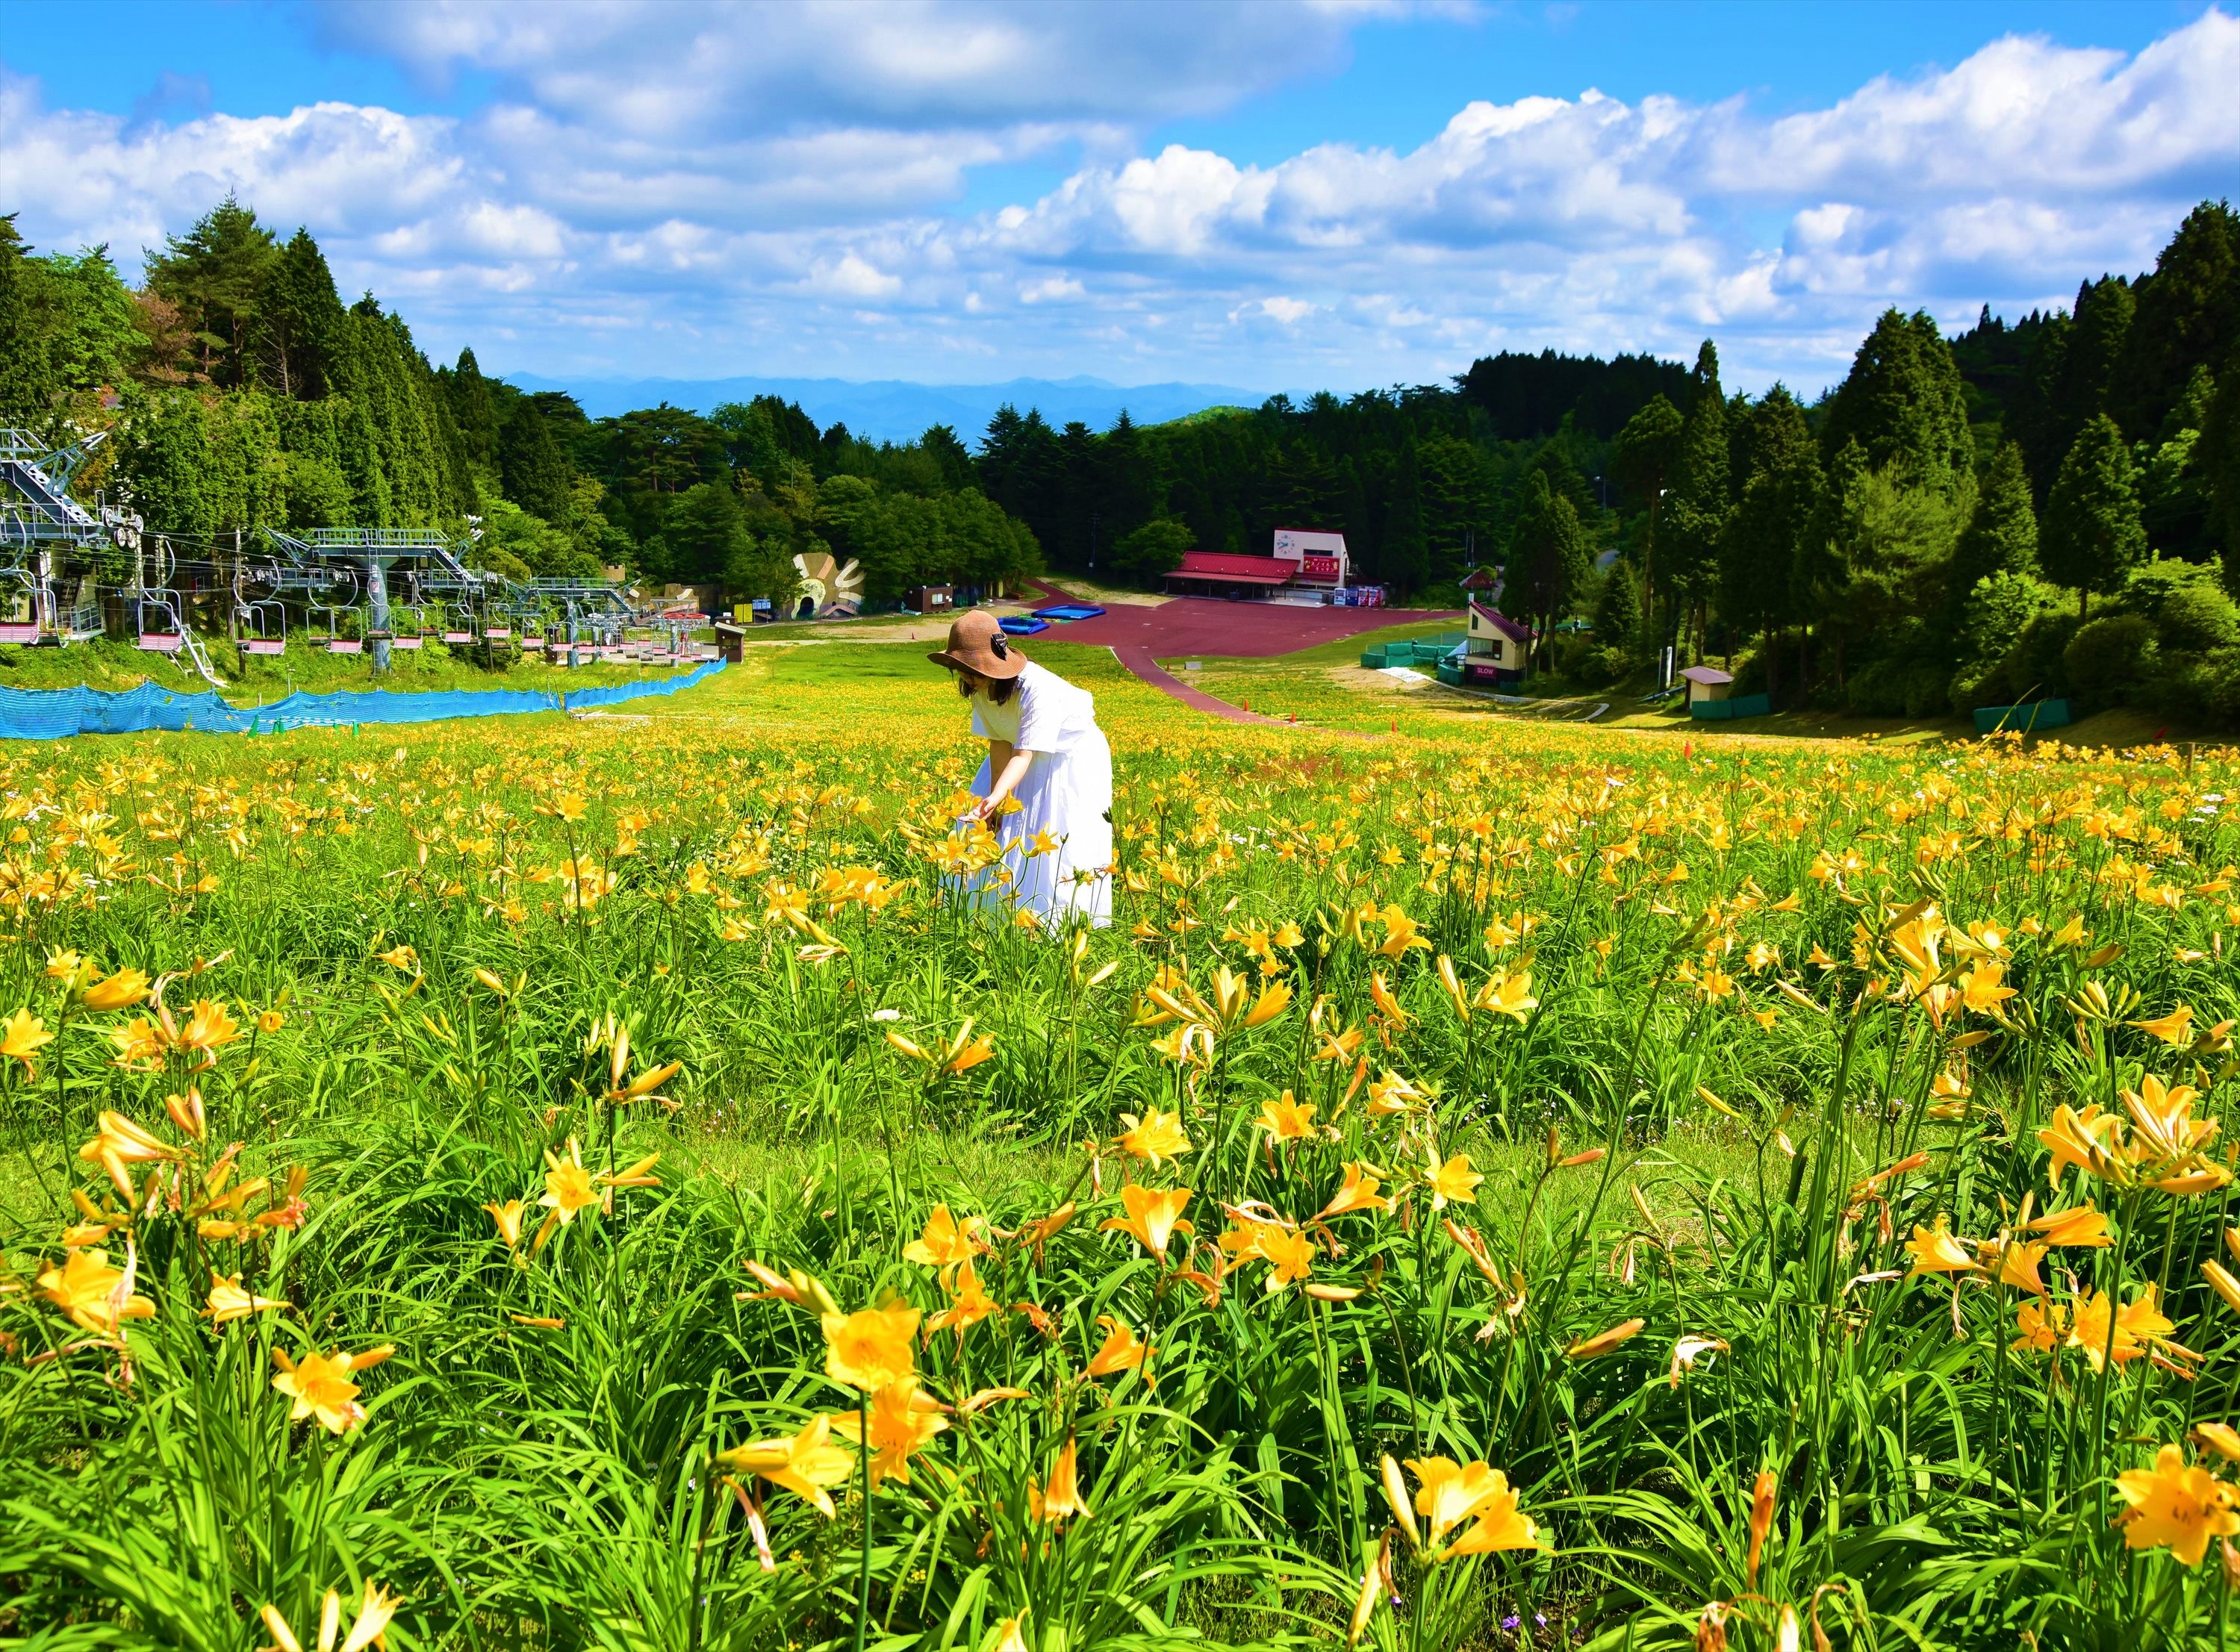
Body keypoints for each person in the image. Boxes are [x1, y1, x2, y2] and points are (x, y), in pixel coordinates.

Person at [928, 610, 1113, 929]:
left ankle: (1055, 923)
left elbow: (1025, 753)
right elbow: (999, 742)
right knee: (995, 829)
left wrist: (1000, 795)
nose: (967, 677)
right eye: (962, 670)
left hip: (1067, 759)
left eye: (972, 669)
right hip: (1014, 756)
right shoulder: (980, 687)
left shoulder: (1036, 690)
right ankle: (993, 918)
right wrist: (994, 799)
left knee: (1051, 833)